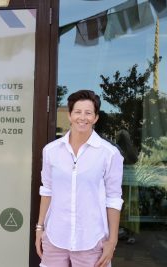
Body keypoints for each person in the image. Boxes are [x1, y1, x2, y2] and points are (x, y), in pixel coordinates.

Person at [35, 90, 124, 267]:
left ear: (96, 118)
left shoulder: (109, 154)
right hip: (54, 236)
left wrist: (112, 241)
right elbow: (47, 190)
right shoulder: (51, 151)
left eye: (88, 113)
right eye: (77, 112)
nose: (82, 117)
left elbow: (113, 199)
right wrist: (40, 228)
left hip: (91, 239)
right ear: (69, 115)